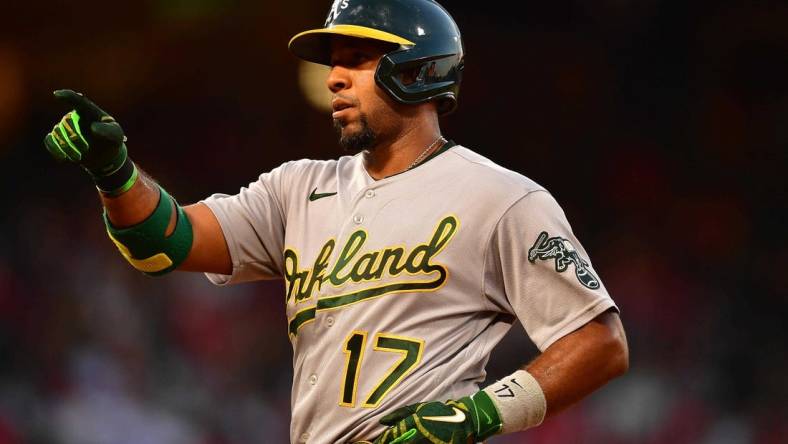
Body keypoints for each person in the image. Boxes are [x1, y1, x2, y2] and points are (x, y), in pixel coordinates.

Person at [43, 0, 628, 442]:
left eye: (357, 59)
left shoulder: (501, 198)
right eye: (334, 63)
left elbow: (600, 343)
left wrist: (483, 412)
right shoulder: (298, 188)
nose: (333, 78)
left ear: (420, 68)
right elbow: (161, 244)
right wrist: (115, 172)